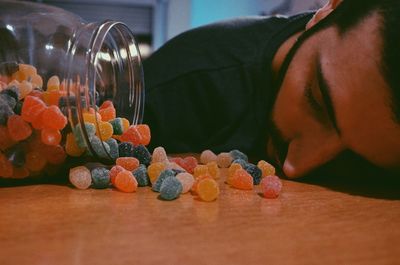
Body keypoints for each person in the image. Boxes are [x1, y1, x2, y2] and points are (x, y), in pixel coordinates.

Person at [143, 0, 400, 179]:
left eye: (359, 160)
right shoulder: (177, 87)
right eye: (316, 100)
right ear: (330, 9)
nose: (294, 167)